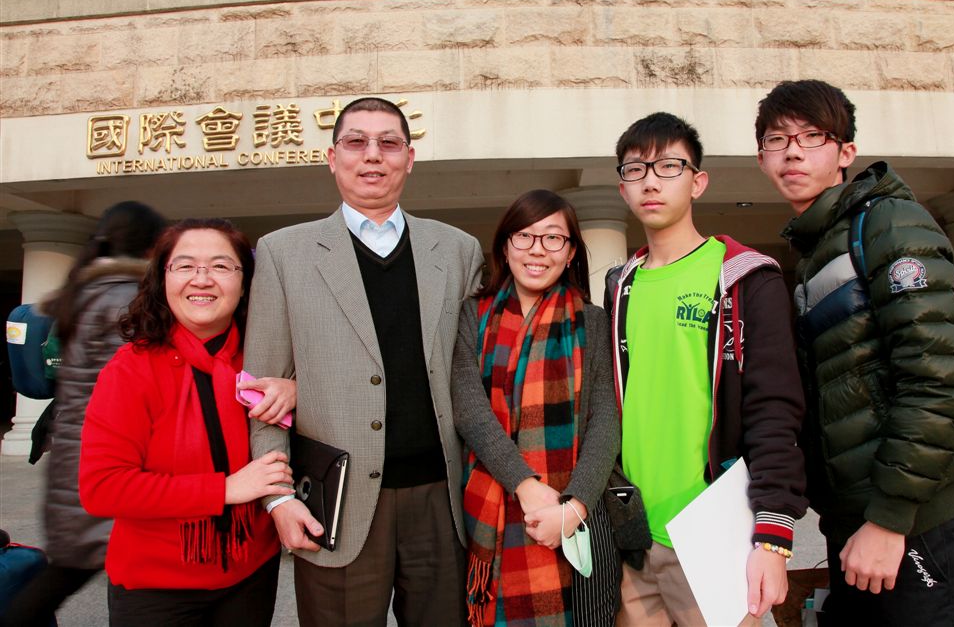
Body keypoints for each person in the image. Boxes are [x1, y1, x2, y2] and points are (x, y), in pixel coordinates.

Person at [754, 79, 954, 625]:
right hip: (857, 524)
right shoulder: (816, 249)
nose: (792, 151)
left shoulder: (888, 224)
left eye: (812, 136)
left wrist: (888, 519)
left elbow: (942, 381)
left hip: (914, 525)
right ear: (761, 158)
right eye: (777, 139)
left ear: (846, 152)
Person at [246, 96, 484, 626]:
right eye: (356, 142)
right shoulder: (284, 253)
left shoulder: (458, 250)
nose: (372, 155)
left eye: (388, 143)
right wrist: (278, 500)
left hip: (441, 500)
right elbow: (261, 391)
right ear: (333, 158)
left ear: (409, 158)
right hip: (336, 500)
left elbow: (475, 373)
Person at [605, 112, 807, 626]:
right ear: (623, 189)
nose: (651, 181)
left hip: (715, 535)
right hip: (634, 540)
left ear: (698, 182)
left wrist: (773, 538)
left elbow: (775, 409)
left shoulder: (744, 279)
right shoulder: (619, 287)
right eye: (635, 170)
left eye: (669, 166)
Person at [78, 218, 296, 627]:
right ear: (163, 279)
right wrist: (225, 489)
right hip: (155, 587)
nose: (202, 279)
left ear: (245, 283)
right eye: (185, 266)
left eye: (221, 266)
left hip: (251, 573)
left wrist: (298, 389)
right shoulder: (131, 370)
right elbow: (102, 488)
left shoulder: (268, 358)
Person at [452, 189, 621, 627]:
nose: (537, 250)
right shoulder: (473, 315)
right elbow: (469, 408)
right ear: (505, 246)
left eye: (553, 238)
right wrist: (526, 486)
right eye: (524, 236)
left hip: (573, 512)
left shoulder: (593, 321)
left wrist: (573, 508)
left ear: (571, 252)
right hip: (493, 509)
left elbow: (606, 419)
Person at [2, 202, 164, 627]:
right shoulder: (127, 298)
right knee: (83, 572)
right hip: (104, 458)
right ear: (151, 246)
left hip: (73, 449)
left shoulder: (83, 292)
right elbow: (132, 385)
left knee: (82, 569)